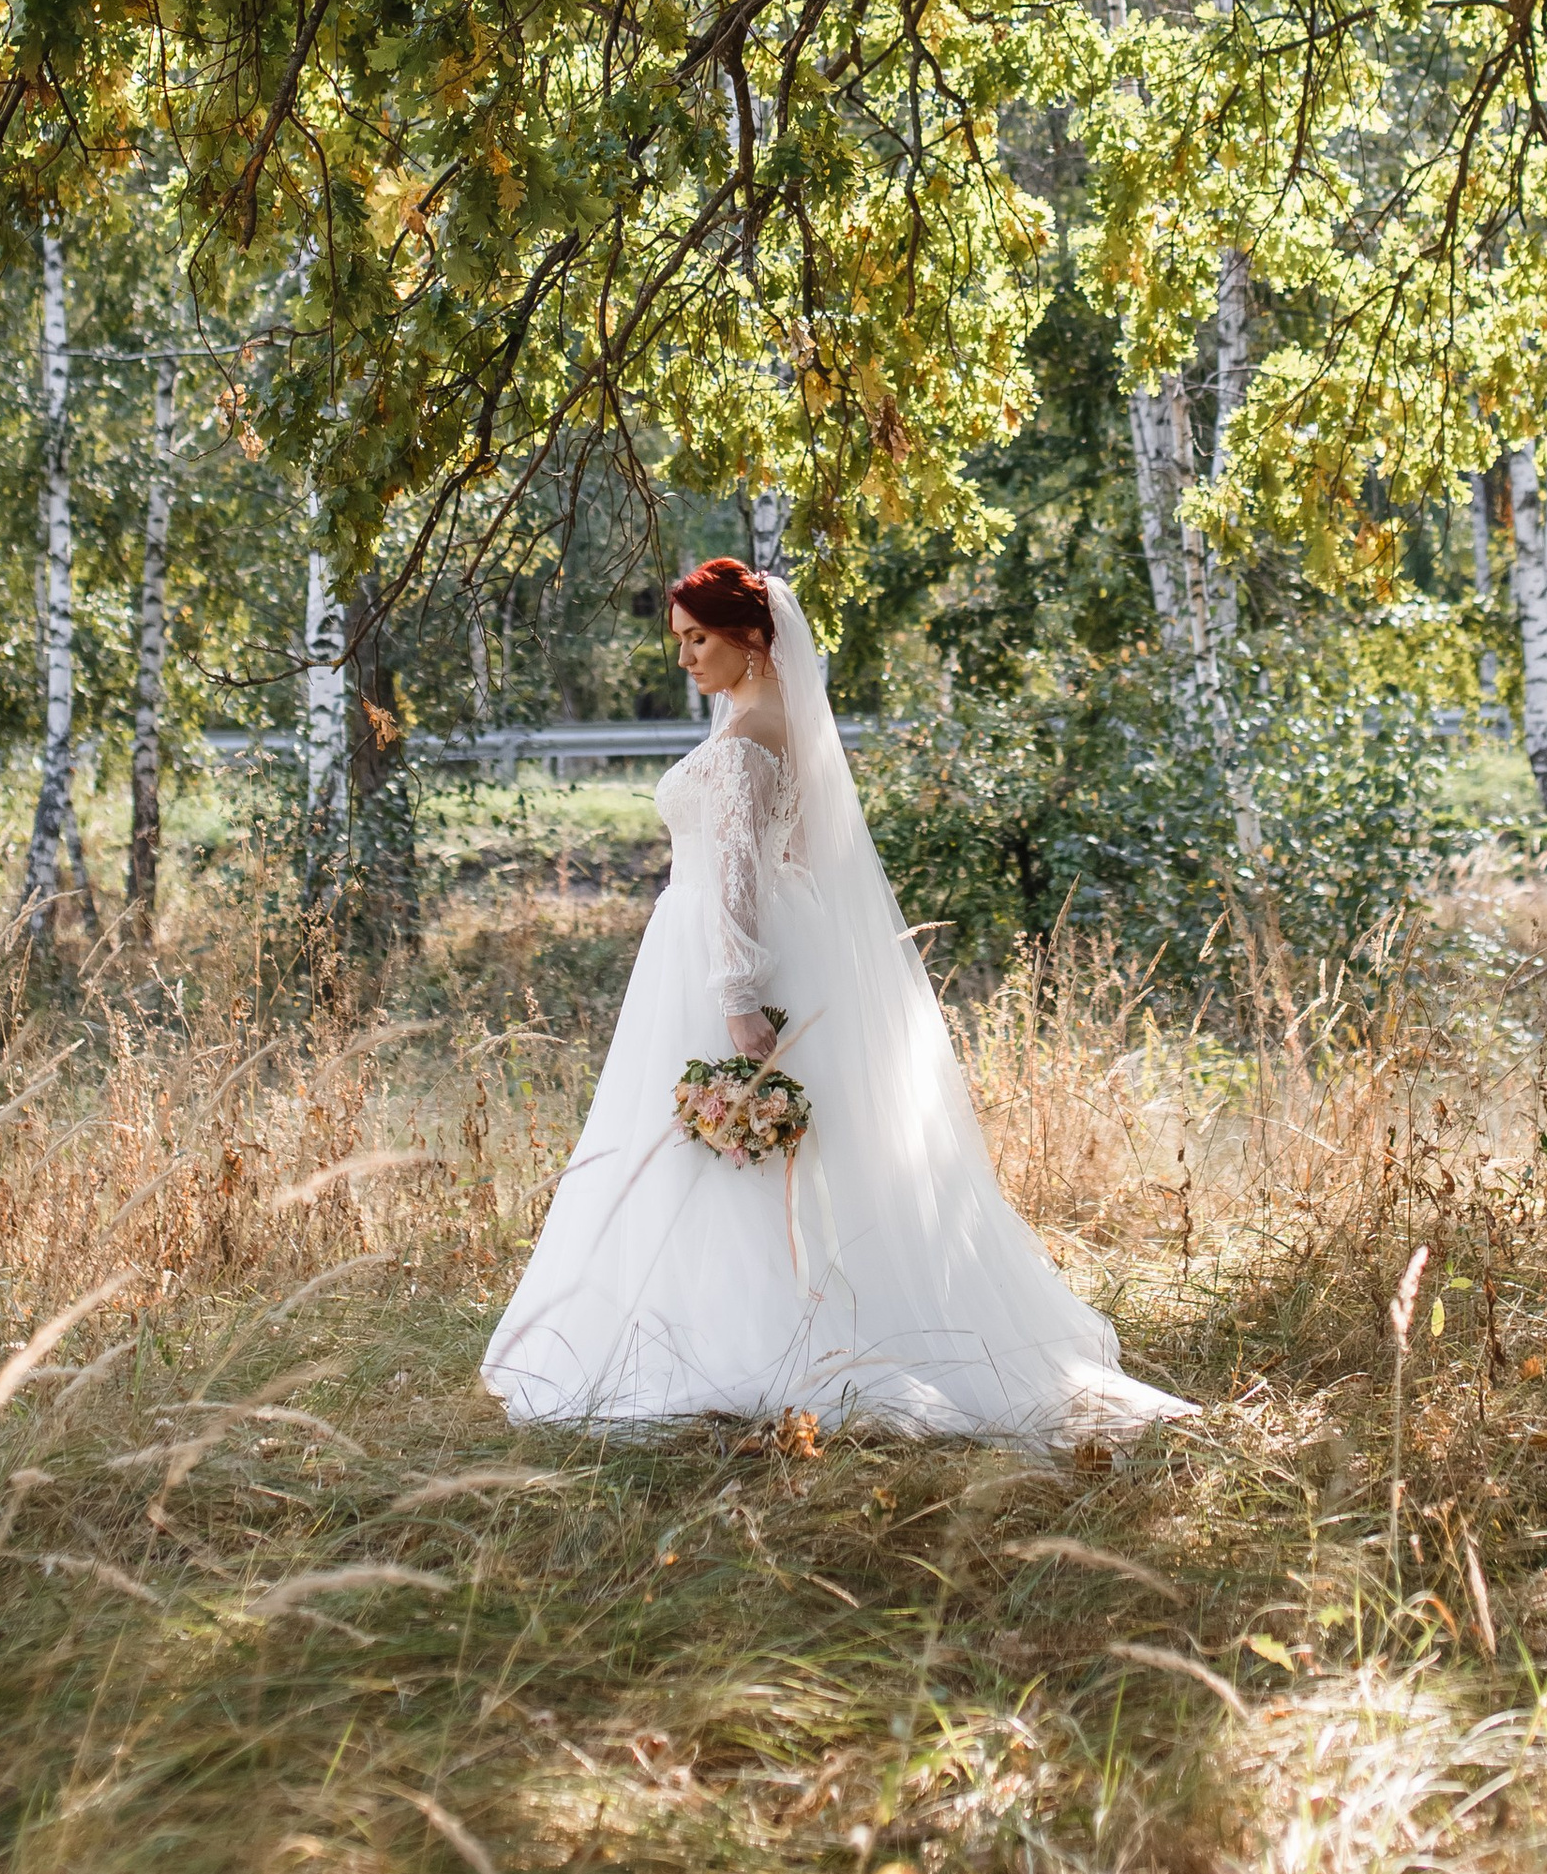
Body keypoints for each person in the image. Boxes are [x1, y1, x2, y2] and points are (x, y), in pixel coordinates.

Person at [482, 558, 1193, 1440]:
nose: (685, 658)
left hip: (725, 959)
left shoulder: (746, 740)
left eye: (698, 640)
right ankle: (755, 1319)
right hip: (757, 942)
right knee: (753, 1157)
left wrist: (740, 994)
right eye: (680, 641)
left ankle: (747, 1341)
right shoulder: (771, 720)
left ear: (750, 637)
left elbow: (739, 876)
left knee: (730, 1152)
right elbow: (808, 854)